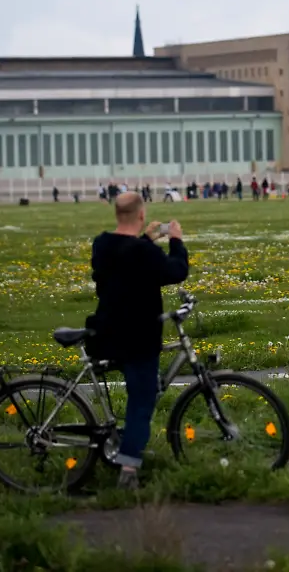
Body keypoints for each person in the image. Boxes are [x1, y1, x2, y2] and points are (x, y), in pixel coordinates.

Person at [89, 191, 189, 489]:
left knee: (140, 395)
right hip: (138, 338)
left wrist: (145, 240)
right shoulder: (144, 255)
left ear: (117, 214)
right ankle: (128, 471)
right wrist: (176, 241)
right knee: (141, 402)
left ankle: (122, 449)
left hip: (106, 332)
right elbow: (176, 271)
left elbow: (125, 264)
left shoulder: (103, 244)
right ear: (142, 215)